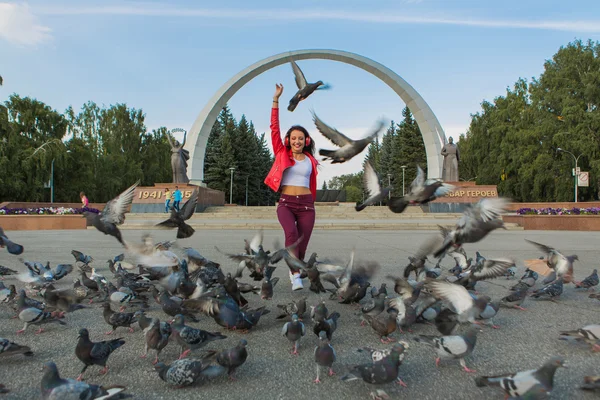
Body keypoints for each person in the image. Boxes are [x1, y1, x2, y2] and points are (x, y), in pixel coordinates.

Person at [264, 83, 319, 291]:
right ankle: (296, 275)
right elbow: (274, 128)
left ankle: (294, 268)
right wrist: (276, 99)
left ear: (306, 141)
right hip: (286, 203)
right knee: (291, 235)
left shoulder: (311, 160)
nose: (297, 141)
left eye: (300, 138)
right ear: (289, 140)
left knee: (302, 245)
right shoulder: (281, 152)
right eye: (293, 138)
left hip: (306, 205)